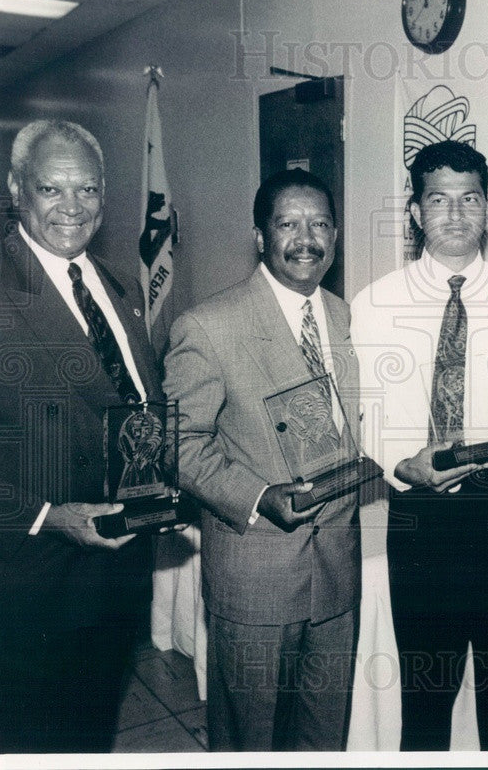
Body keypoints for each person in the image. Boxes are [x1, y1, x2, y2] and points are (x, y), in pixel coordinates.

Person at [351, 140, 488, 750]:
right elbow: (362, 416)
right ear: (415, 211)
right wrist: (401, 465)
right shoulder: (374, 303)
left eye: (470, 199)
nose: (456, 214)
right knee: (426, 697)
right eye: (439, 199)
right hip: (421, 516)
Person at [0, 120, 160, 752]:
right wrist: (49, 516)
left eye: (87, 190)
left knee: (90, 736)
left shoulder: (119, 286)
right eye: (52, 189)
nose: (72, 208)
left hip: (114, 581)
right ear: (16, 189)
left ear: (106, 194)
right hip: (26, 594)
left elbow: (133, 408)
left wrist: (161, 488)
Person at [163, 168, 361, 751]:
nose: (307, 239)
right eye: (289, 224)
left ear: (335, 235)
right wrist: (256, 495)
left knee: (324, 735)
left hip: (336, 569)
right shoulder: (208, 325)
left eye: (320, 224)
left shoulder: (349, 317)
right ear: (259, 237)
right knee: (249, 738)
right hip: (254, 569)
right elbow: (177, 444)